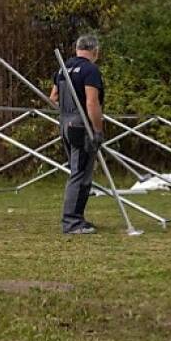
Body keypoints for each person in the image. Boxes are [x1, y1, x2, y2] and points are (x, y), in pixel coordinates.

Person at [49, 34, 106, 235]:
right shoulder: (90, 70)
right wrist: (98, 130)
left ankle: (77, 219)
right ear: (95, 51)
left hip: (65, 124)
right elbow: (92, 102)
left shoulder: (64, 68)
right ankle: (72, 222)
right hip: (82, 126)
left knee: (79, 172)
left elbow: (53, 97)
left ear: (77, 49)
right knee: (80, 173)